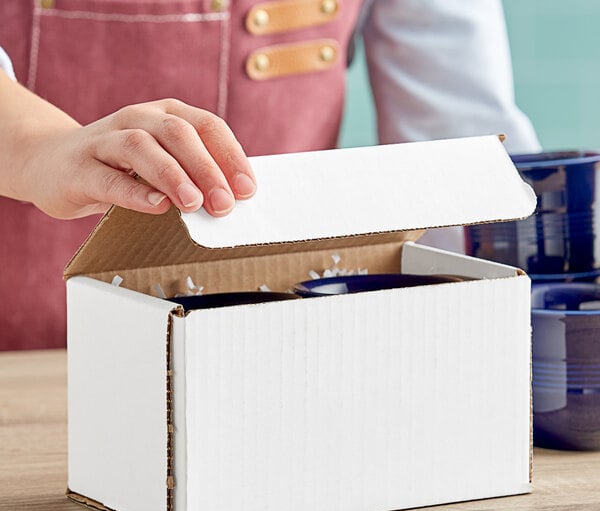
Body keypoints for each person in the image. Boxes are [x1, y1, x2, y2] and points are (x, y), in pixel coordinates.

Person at [0, 0, 540, 350]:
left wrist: (508, 322)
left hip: (291, 341)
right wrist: (36, 147)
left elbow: (454, 125)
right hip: (20, 354)